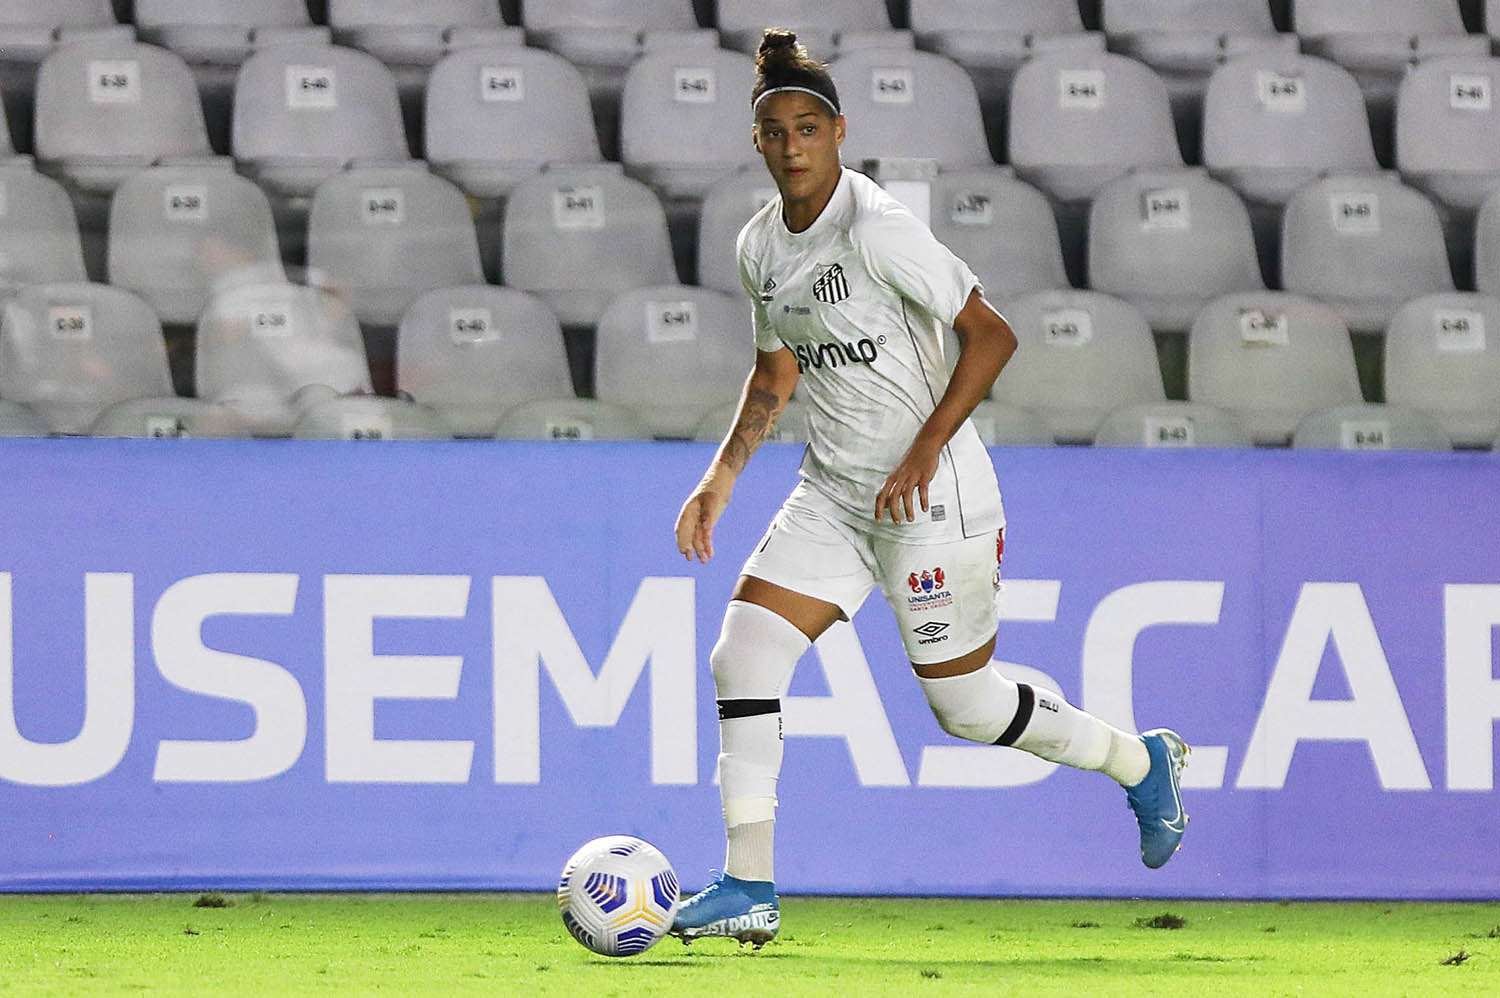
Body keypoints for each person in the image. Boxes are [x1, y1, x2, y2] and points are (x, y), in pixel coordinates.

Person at [670, 28, 1189, 948]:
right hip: (834, 491)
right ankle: (749, 886)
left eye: (808, 127)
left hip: (931, 497)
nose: (792, 145)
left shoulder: (879, 231)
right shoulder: (761, 247)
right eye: (776, 130)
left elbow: (991, 335)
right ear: (757, 142)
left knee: (967, 706)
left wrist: (923, 450)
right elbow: (773, 376)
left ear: (838, 134)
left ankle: (1139, 762)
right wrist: (719, 480)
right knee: (742, 654)